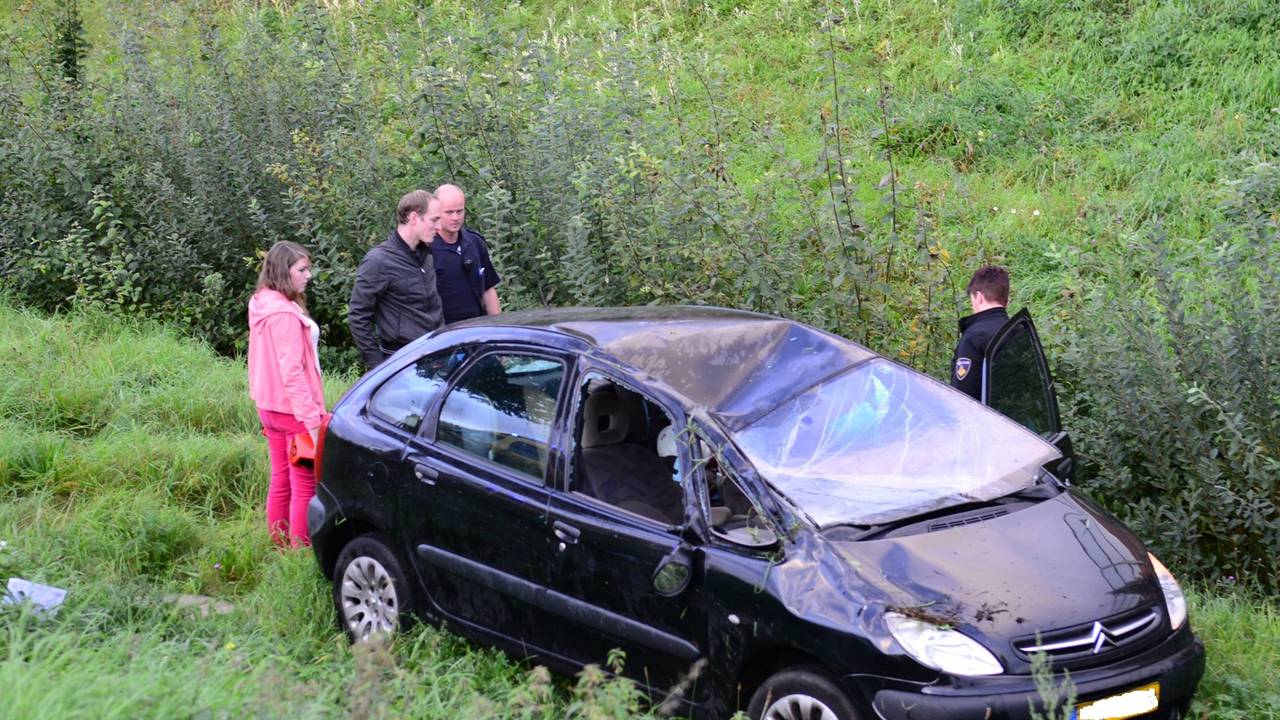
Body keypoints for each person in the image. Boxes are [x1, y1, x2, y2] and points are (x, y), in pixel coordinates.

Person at [248, 241, 326, 547]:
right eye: (302, 270)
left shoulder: (262, 302)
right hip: (293, 410)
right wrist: (313, 421)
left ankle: (279, 546)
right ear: (284, 271)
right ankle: (300, 551)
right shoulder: (283, 314)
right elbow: (291, 372)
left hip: (269, 405)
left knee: (281, 478)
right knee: (303, 484)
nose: (309, 275)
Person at [348, 190, 446, 369]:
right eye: (434, 220)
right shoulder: (378, 261)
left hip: (435, 356)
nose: (439, 227)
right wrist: (377, 367)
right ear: (414, 218)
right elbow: (358, 316)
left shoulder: (427, 256)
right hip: (402, 363)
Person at [431, 183, 501, 324]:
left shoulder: (474, 242)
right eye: (449, 212)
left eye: (460, 211)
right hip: (444, 331)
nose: (456, 218)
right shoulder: (426, 249)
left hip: (477, 325)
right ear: (436, 212)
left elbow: (488, 289)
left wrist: (499, 327)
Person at [951, 265, 1010, 401]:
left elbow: (963, 395)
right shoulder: (1018, 329)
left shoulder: (974, 337)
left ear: (978, 297)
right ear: (1006, 299)